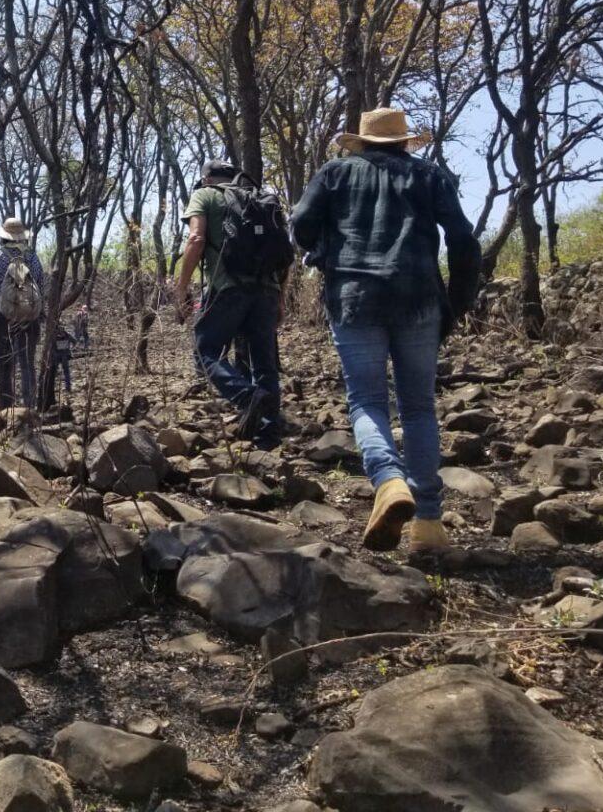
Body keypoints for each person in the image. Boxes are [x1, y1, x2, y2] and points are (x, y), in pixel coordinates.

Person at [291, 107, 481, 555]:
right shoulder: (430, 176)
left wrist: (324, 248)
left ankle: (389, 481)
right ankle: (429, 524)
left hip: (355, 299)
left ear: (362, 139)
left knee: (367, 401)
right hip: (419, 300)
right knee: (418, 408)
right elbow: (463, 240)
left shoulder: (335, 173)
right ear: (403, 141)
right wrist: (456, 302)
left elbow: (300, 225)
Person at [174, 159, 291, 450]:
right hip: (267, 290)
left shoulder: (205, 195)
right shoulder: (262, 200)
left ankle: (246, 397)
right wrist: (280, 297)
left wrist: (181, 287)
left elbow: (196, 238)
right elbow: (284, 254)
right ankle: (268, 435)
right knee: (264, 363)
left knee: (205, 352)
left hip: (227, 288)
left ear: (207, 179)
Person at [0, 217, 45, 409]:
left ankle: (5, 409)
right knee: (27, 364)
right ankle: (30, 407)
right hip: (29, 317)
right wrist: (39, 314)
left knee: (5, 364)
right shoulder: (32, 257)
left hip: (4, 317)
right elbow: (41, 286)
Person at [53, 321, 74, 394]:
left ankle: (52, 388)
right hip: (65, 355)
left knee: (54, 372)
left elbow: (51, 346)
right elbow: (74, 341)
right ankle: (68, 388)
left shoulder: (54, 335)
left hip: (57, 356)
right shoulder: (66, 334)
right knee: (66, 372)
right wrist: (69, 348)